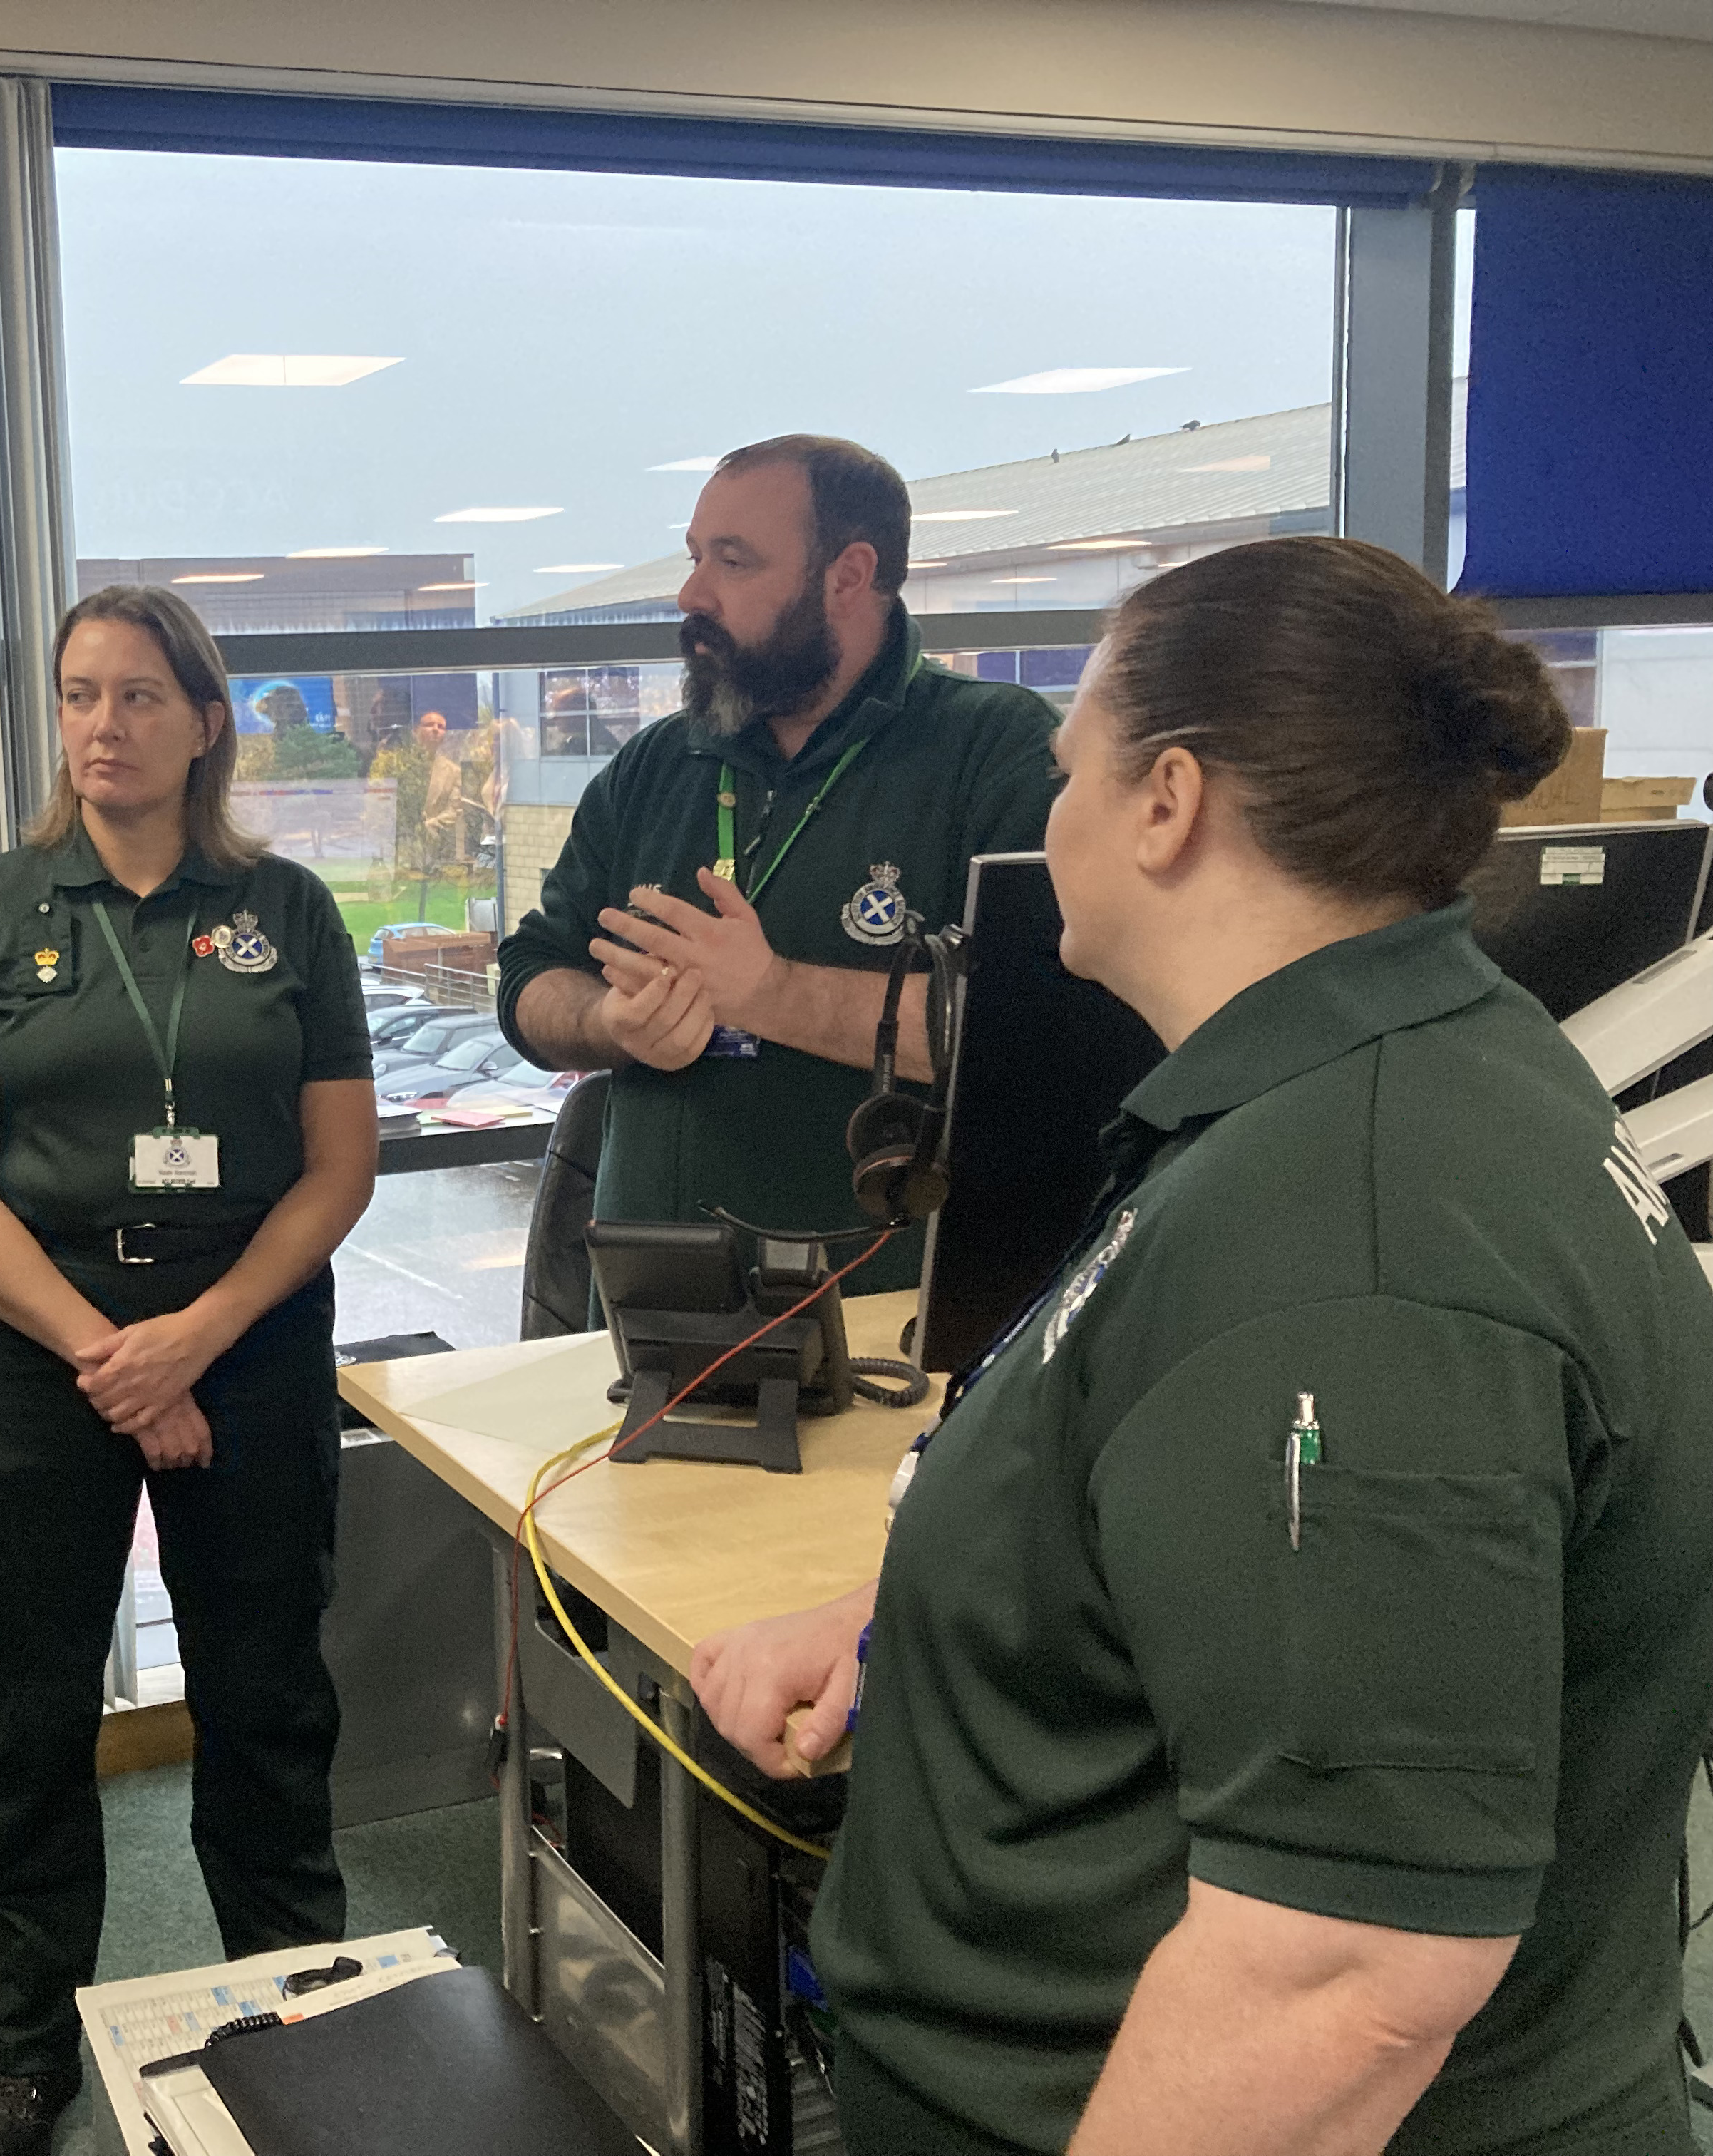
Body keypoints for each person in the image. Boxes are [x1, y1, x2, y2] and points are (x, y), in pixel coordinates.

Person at [690, 535, 1713, 2156]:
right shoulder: (1396, 1069)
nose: (1052, 812)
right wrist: (923, 1618)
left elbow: (1342, 1982)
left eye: (1070, 769)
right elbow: (1238, 1536)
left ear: (1168, 801)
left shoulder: (1354, 1240)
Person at [0, 585, 379, 2156]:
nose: (103, 729)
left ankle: (297, 2012)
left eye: (138, 699)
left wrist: (201, 1335)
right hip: (45, 1362)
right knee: (26, 1726)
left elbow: (337, 1169)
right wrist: (117, 1357)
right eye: (79, 697)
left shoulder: (290, 911)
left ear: (206, 720)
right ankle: (28, 2057)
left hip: (243, 1349)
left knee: (266, 1699)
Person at [496, 435, 1059, 1291]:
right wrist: (610, 1024)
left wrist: (767, 993)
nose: (692, 594)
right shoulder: (657, 764)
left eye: (734, 561)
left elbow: (1036, 1033)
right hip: (652, 1313)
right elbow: (531, 976)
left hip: (888, 1317)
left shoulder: (996, 749)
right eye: (695, 557)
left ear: (848, 573)